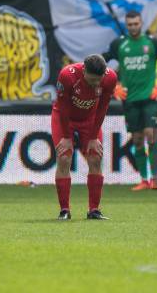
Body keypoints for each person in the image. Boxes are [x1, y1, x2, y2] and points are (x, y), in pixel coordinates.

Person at [103, 11, 157, 191]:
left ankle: (154, 179)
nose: (133, 27)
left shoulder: (152, 43)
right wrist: (113, 87)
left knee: (151, 136)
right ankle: (143, 180)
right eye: (130, 24)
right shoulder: (119, 44)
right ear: (126, 25)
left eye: (136, 24)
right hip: (129, 101)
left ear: (141, 23)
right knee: (137, 140)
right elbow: (100, 63)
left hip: (149, 99)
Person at [52, 54, 117, 220]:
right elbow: (63, 107)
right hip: (64, 118)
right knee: (64, 158)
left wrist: (94, 136)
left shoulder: (110, 78)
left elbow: (102, 108)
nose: (96, 84)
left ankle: (94, 210)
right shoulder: (67, 75)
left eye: (99, 80)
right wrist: (66, 137)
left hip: (90, 120)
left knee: (95, 158)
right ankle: (64, 210)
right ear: (84, 71)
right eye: (92, 80)